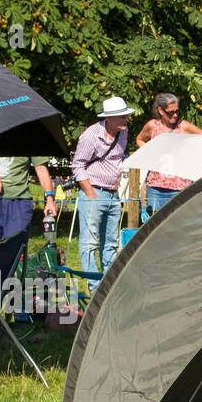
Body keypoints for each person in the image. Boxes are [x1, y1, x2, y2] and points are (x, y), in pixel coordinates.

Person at [72, 95, 134, 289]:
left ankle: (108, 285)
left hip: (113, 194)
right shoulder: (90, 136)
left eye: (126, 115)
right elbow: (77, 166)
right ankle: (93, 286)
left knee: (111, 242)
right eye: (122, 116)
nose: (126, 119)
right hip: (94, 192)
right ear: (109, 118)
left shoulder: (123, 132)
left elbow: (119, 156)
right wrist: (90, 194)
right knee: (90, 242)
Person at [135, 92, 202, 217]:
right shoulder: (152, 126)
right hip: (155, 187)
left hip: (180, 187)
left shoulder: (184, 127)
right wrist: (150, 152)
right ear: (161, 111)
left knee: (178, 223)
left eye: (177, 111)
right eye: (171, 112)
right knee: (155, 226)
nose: (175, 115)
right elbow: (139, 139)